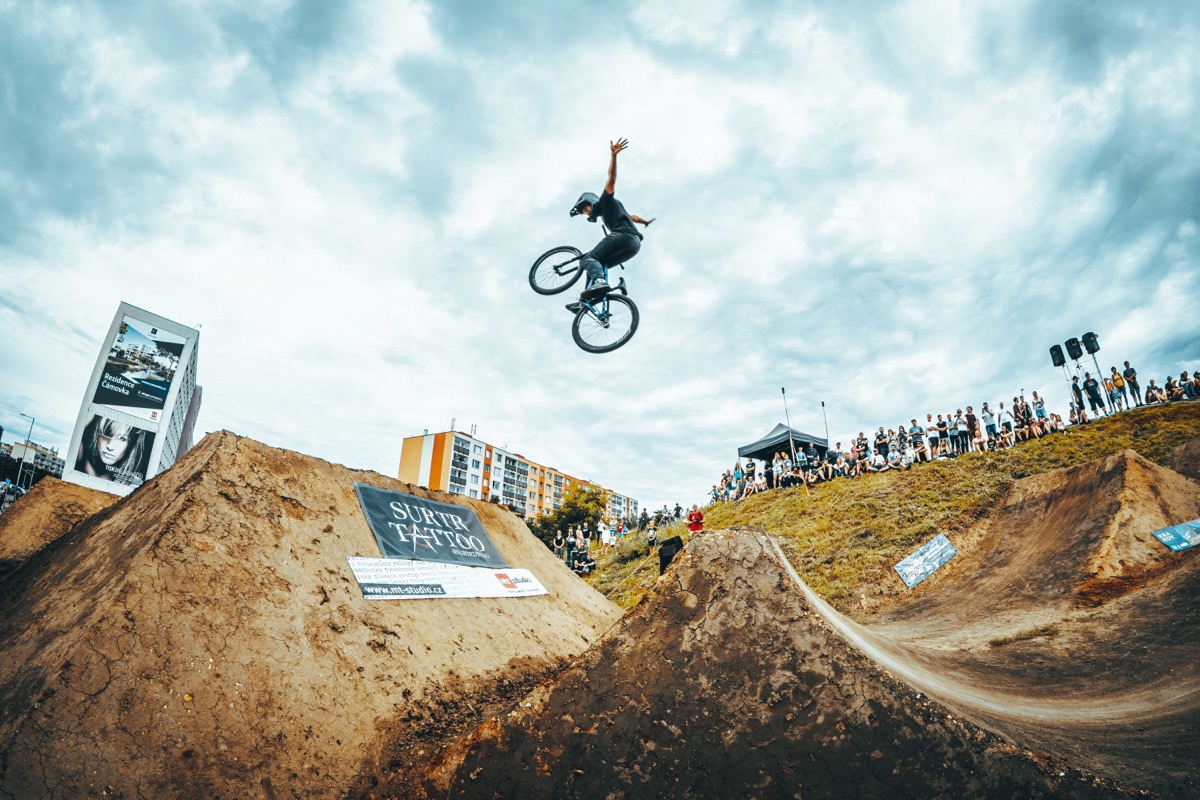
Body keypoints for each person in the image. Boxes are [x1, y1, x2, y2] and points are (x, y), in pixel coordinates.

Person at [567, 138, 656, 311]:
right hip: (633, 246)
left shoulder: (605, 201)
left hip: (623, 237)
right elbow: (632, 217)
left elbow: (612, 177)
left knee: (588, 258)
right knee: (594, 265)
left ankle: (600, 282)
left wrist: (613, 156)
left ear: (590, 202)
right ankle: (585, 301)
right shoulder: (609, 212)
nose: (586, 213)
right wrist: (645, 221)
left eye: (585, 209)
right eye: (583, 212)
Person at [74, 416, 152, 486]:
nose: (110, 446)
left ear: (130, 444)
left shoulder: (136, 483)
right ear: (97, 435)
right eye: (106, 434)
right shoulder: (80, 456)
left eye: (121, 438)